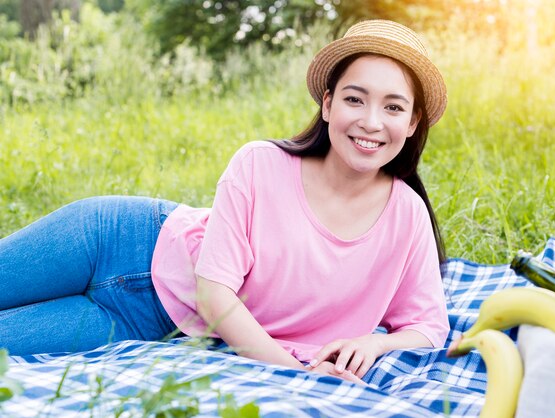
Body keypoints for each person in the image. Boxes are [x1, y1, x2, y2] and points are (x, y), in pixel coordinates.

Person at [0, 20, 450, 383]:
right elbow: (214, 293)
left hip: (145, 322)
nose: (371, 121)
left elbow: (428, 327)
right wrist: (297, 373)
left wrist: (376, 343)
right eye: (356, 99)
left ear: (412, 123)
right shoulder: (260, 163)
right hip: (115, 239)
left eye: (393, 107)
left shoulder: (406, 216)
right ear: (328, 105)